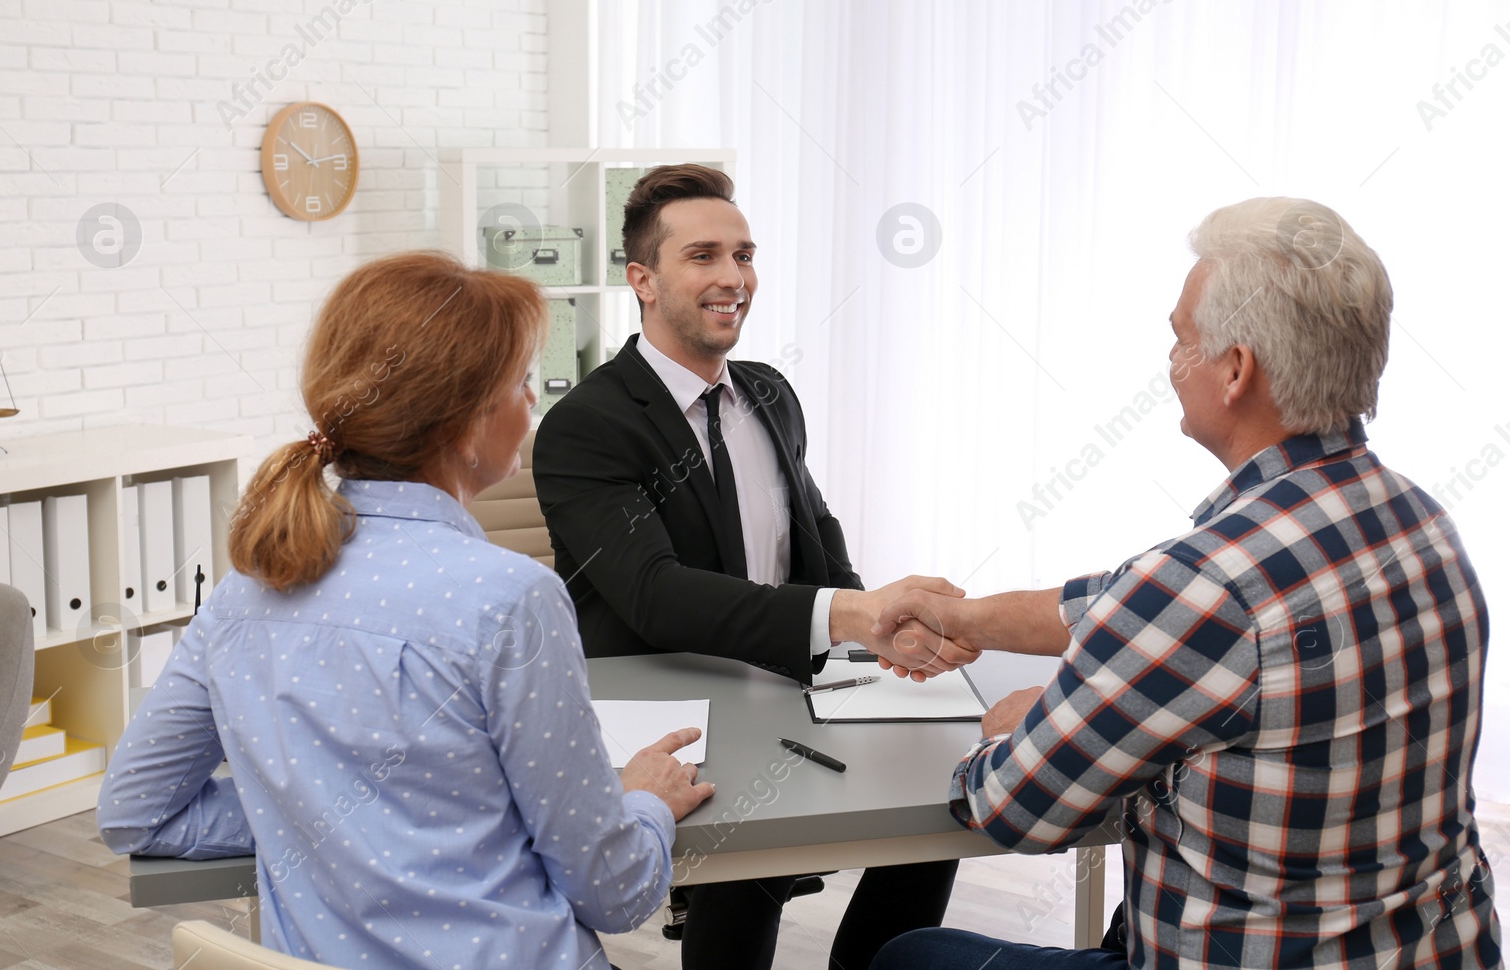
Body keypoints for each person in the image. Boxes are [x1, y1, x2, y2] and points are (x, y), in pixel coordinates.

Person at [870, 199, 1503, 969]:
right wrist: (961, 616)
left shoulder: (1206, 584)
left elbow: (1012, 808)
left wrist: (1021, 727)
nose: (1171, 363)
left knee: (905, 955)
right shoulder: (1423, 521)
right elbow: (1121, 601)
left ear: (1235, 370)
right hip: (1436, 950)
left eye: (1181, 339)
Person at [97, 252, 714, 969]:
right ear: (463, 425)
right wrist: (640, 803)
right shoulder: (511, 596)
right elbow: (614, 893)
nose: (533, 406)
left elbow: (133, 810)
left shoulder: (247, 587)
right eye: (520, 384)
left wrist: (313, 812)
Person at [532, 165, 966, 970]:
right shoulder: (584, 425)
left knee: (942, 795)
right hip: (673, 702)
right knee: (747, 865)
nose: (733, 277)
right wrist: (849, 615)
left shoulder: (769, 393)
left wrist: (883, 631)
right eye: (703, 255)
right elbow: (654, 596)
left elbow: (819, 541)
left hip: (784, 678)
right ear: (644, 280)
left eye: (744, 253)